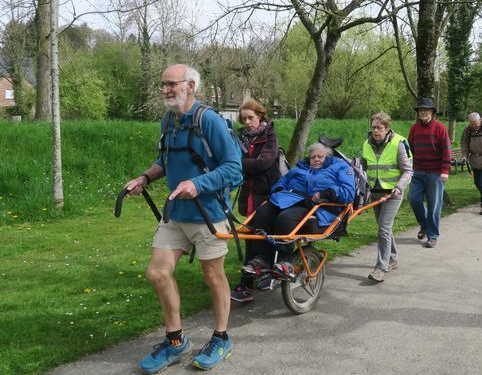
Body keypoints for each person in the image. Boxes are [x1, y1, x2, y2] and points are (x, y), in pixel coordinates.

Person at [124, 64, 243, 374]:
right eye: (163, 84)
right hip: (176, 214)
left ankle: (221, 337)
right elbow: (163, 160)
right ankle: (176, 342)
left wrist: (197, 184)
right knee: (157, 273)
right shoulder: (169, 121)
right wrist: (145, 178)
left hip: (209, 214)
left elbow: (234, 168)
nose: (165, 89)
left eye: (171, 84)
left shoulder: (210, 121)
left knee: (213, 276)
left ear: (190, 86)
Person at [242, 143, 356, 280]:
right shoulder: (299, 169)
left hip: (317, 206)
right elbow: (281, 182)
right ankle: (261, 259)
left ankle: (285, 260)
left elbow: (349, 193)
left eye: (320, 156)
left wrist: (326, 193)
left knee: (285, 218)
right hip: (288, 200)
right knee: (262, 213)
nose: (316, 159)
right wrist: (278, 190)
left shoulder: (339, 167)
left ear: (328, 157)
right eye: (313, 156)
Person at [231, 99, 282, 303]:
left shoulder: (270, 136)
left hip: (267, 194)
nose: (247, 122)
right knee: (252, 237)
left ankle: (249, 283)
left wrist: (236, 164)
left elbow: (264, 162)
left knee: (263, 236)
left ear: (260, 115)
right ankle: (254, 278)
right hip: (249, 195)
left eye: (250, 117)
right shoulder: (241, 137)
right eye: (243, 119)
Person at [361, 112, 413, 282]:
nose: (376, 131)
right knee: (385, 228)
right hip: (375, 192)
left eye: (379, 128)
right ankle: (392, 258)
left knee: (383, 228)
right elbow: (363, 168)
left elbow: (408, 170)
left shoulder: (399, 143)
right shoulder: (366, 144)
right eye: (373, 127)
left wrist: (399, 187)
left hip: (392, 193)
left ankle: (380, 268)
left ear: (387, 128)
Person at [407, 97, 451, 248]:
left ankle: (432, 236)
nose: (423, 112)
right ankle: (424, 224)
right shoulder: (414, 128)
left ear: (432, 112)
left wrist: (445, 171)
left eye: (426, 109)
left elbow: (446, 151)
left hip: (435, 174)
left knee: (434, 206)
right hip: (417, 172)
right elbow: (410, 151)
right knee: (413, 199)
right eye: (421, 109)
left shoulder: (440, 128)